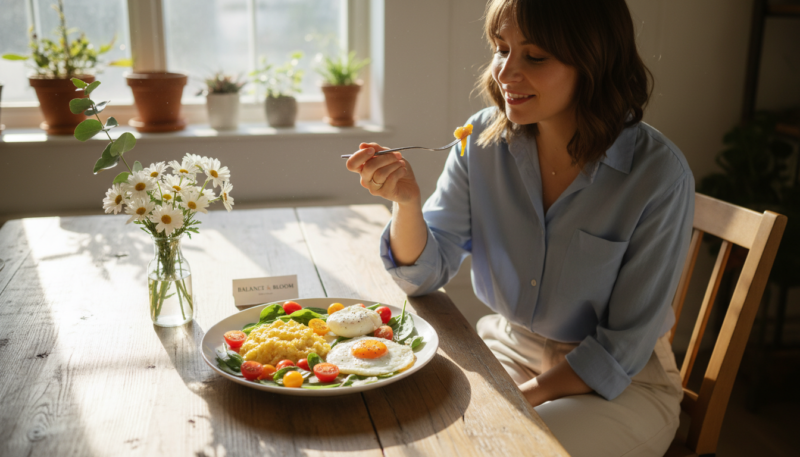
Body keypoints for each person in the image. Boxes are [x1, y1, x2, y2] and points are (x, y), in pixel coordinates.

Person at [345, 0, 694, 455]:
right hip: (507, 349)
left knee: (502, 447)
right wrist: (406, 203)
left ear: (594, 61)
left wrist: (510, 402)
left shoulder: (659, 175)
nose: (505, 73)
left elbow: (620, 350)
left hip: (621, 384)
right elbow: (423, 275)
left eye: (535, 56)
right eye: (501, 49)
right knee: (407, 423)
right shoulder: (480, 141)